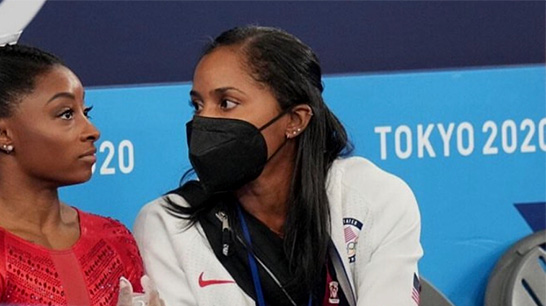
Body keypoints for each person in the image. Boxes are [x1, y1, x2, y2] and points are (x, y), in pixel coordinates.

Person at [133, 26, 423, 306]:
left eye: (226, 103)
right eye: (197, 105)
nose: (203, 121)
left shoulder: (373, 200)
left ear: (295, 120)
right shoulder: (168, 224)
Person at [0, 31, 150, 306]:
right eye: (66, 114)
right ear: (0, 133)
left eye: (87, 112)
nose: (92, 131)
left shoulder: (113, 239)